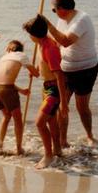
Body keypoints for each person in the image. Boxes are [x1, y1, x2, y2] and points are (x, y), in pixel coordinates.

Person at [40, 0, 98, 147]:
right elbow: (57, 42)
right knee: (62, 105)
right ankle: (62, 141)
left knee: (82, 107)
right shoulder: (62, 20)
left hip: (85, 69)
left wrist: (48, 25)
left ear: (62, 9)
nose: (54, 13)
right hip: (65, 69)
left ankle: (90, 135)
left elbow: (65, 41)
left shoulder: (82, 20)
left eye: (54, 10)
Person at [23, 15, 68, 169]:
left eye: (30, 34)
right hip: (46, 86)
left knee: (40, 122)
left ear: (35, 35)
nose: (29, 37)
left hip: (54, 90)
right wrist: (36, 71)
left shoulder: (50, 48)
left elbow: (59, 75)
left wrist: (63, 103)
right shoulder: (42, 44)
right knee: (51, 121)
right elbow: (44, 68)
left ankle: (48, 155)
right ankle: (57, 150)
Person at [0, 40, 39, 156]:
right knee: (18, 119)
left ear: (10, 48)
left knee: (7, 116)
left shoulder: (4, 57)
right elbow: (37, 74)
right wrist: (34, 69)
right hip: (6, 89)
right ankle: (19, 149)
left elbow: (3, 80)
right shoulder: (22, 55)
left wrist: (21, 90)